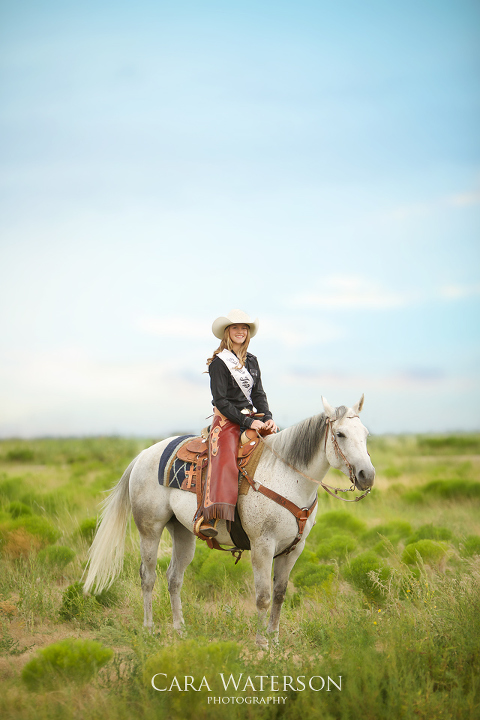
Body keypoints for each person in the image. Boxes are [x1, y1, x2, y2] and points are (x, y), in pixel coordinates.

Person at [195, 309, 277, 538]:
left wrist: (267, 417)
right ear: (227, 332)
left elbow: (258, 393)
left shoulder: (252, 361)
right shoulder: (219, 363)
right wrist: (248, 422)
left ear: (248, 332)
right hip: (228, 420)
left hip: (253, 419)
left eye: (244, 328)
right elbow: (220, 401)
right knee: (225, 457)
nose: (240, 331)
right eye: (235, 328)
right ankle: (209, 514)